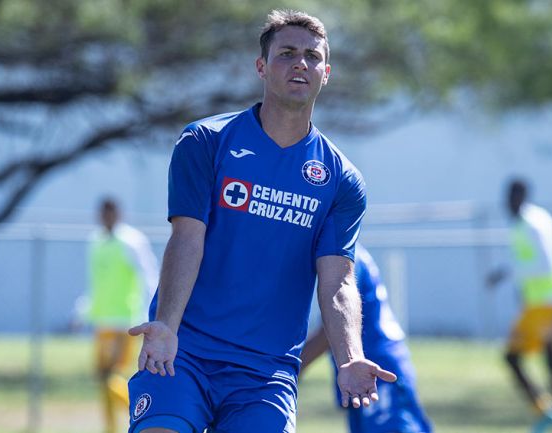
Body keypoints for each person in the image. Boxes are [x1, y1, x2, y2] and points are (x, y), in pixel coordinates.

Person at [126, 9, 396, 433]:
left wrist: (350, 356)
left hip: (265, 373)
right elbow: (187, 239)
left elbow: (338, 280)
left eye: (312, 56)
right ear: (261, 67)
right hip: (185, 352)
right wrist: (166, 326)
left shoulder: (341, 180)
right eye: (287, 53)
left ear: (327, 72)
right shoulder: (206, 142)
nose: (300, 63)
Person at [301, 244, 433, 433]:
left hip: (375, 365)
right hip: (367, 363)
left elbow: (329, 332)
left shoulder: (344, 256)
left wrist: (293, 368)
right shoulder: (341, 251)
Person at [486, 178, 552, 433]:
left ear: (522, 197)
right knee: (512, 357)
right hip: (536, 304)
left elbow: (545, 264)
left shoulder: (535, 224)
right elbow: (522, 261)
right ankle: (548, 411)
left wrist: (512, 275)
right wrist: (506, 277)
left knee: (551, 363)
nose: (507, 202)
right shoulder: (517, 225)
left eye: (512, 197)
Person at [87, 197, 159, 433]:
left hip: (124, 321)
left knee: (113, 377)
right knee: (102, 379)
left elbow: (148, 276)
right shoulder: (96, 241)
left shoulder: (131, 241)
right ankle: (110, 428)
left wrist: (150, 311)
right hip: (102, 321)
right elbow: (97, 283)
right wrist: (83, 309)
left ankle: (144, 414)